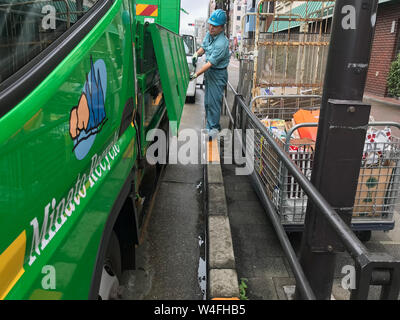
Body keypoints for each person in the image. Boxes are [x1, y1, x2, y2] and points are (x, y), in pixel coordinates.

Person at [190, 9, 230, 140]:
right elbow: (204, 47)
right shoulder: (209, 35)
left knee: (214, 103)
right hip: (210, 74)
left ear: (221, 27)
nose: (211, 27)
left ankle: (213, 130)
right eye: (210, 24)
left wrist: (196, 74)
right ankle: (211, 126)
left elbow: (209, 64)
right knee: (207, 102)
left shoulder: (222, 43)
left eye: (215, 26)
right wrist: (197, 53)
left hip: (218, 74)